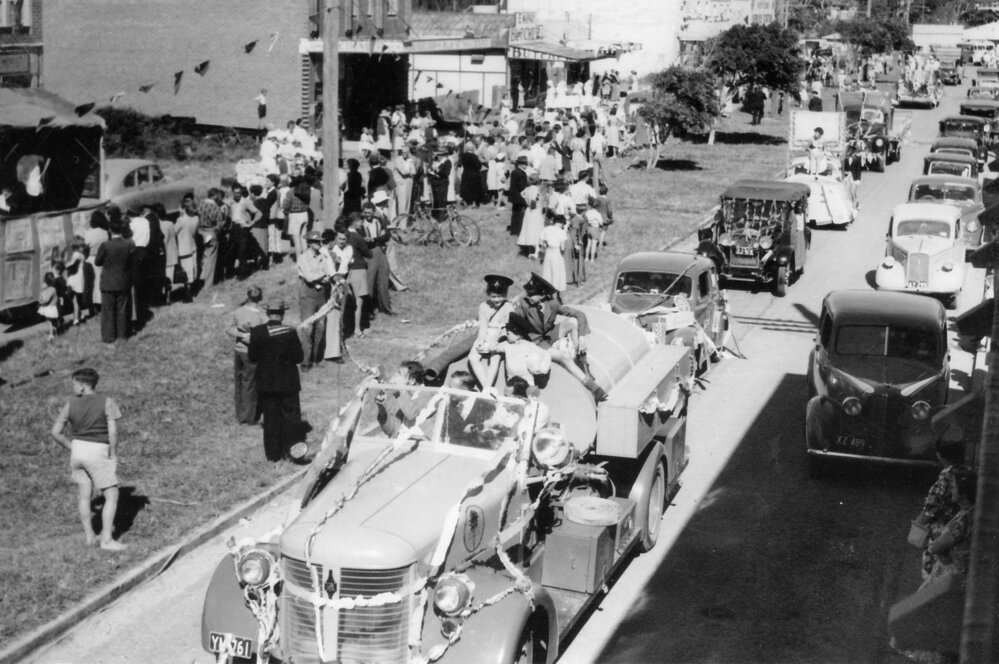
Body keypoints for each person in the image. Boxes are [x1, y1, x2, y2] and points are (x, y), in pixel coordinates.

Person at [49, 368, 127, 551]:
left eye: (74, 384)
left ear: (83, 386)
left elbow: (55, 433)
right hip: (97, 451)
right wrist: (113, 454)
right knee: (112, 494)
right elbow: (113, 432)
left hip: (77, 451)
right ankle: (107, 540)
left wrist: (71, 446)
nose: (73, 387)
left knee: (84, 495)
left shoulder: (70, 404)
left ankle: (90, 537)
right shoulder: (107, 402)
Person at [510, 273, 607, 401]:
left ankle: (581, 362)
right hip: (537, 342)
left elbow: (579, 314)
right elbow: (512, 319)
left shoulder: (552, 304)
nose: (528, 297)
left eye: (532, 295)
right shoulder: (524, 304)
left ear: (543, 295)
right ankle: (594, 388)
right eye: (527, 294)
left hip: (550, 335)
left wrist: (582, 338)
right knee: (565, 357)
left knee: (573, 322)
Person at [248, 299, 304, 461]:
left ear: (267, 313)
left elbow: (252, 357)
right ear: (283, 313)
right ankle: (292, 452)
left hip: (266, 382)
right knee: (291, 418)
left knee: (271, 418)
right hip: (288, 382)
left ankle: (273, 455)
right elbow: (298, 357)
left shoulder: (257, 332)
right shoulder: (290, 331)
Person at [915, 438, 971, 581]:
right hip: (954, 539)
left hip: (941, 536)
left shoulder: (946, 478)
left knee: (933, 577)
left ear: (940, 455)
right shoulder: (967, 472)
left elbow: (930, 511)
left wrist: (916, 529)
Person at [226, 286, 268, 424]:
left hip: (239, 351)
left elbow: (229, 328)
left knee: (239, 382)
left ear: (247, 296)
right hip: (252, 354)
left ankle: (239, 412)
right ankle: (248, 418)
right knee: (250, 385)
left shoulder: (238, 311)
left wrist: (241, 334)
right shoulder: (262, 315)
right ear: (260, 298)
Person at [468, 275, 515, 389]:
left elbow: (508, 328)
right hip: (488, 334)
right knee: (473, 357)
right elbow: (483, 327)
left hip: (501, 336)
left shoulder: (508, 307)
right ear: (489, 295)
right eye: (493, 296)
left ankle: (487, 388)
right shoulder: (483, 306)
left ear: (505, 295)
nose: (497, 300)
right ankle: (487, 389)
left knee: (495, 358)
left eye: (500, 296)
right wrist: (481, 341)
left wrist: (495, 344)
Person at [95, 217, 135, 344]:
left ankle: (108, 337)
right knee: (122, 310)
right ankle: (122, 336)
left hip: (107, 282)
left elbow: (97, 262)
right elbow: (132, 261)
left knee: (108, 311)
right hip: (123, 281)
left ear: (110, 231)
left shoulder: (105, 245)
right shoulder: (129, 244)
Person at [297, 231, 333, 371]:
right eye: (317, 242)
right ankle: (306, 360)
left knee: (320, 327)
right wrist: (322, 275)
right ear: (310, 243)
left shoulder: (322, 257)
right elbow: (309, 277)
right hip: (308, 295)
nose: (320, 244)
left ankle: (316, 358)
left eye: (321, 242)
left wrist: (323, 277)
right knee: (307, 327)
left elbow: (327, 274)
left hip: (321, 294)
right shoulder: (303, 258)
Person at [375, 361, 425, 436]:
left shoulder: (426, 395)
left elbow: (413, 414)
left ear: (412, 380)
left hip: (423, 444)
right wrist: (381, 406)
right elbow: (391, 429)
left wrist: (399, 389)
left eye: (399, 373)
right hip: (401, 444)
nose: (394, 376)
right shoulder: (398, 397)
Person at [361, 200, 393, 316]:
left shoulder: (378, 221)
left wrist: (376, 239)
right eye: (365, 213)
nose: (367, 215)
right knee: (369, 281)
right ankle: (368, 311)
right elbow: (362, 241)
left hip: (379, 250)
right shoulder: (361, 225)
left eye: (369, 213)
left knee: (384, 278)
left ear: (374, 212)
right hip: (369, 253)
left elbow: (387, 234)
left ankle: (385, 307)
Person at [344, 213, 372, 337]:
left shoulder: (344, 235)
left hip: (346, 271)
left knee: (347, 302)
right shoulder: (357, 236)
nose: (362, 223)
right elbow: (368, 254)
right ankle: (357, 330)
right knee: (358, 302)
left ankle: (347, 327)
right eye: (360, 221)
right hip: (359, 270)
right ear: (354, 222)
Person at [508, 155, 529, 238]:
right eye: (525, 164)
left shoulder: (514, 171)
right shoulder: (521, 174)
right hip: (519, 196)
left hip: (513, 196)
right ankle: (517, 230)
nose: (527, 165)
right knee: (520, 214)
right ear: (520, 164)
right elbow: (521, 187)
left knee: (515, 213)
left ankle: (513, 230)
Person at [38, 272, 60, 340]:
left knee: (50, 322)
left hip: (50, 308)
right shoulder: (52, 288)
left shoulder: (50, 289)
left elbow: (46, 300)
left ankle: (51, 335)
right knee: (52, 322)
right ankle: (56, 333)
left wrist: (40, 302)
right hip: (51, 307)